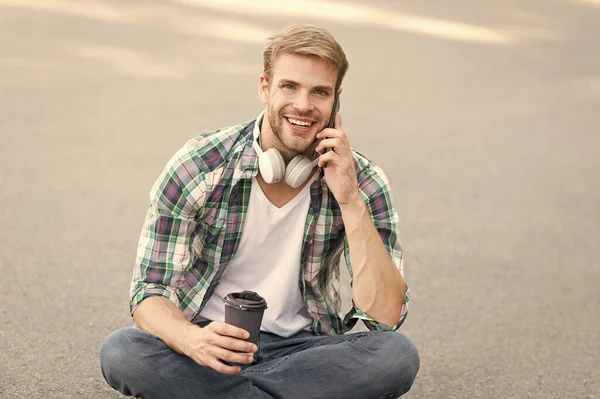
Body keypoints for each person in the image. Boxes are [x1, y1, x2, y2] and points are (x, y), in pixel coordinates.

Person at [100, 24, 419, 399]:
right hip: (206, 341)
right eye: (289, 86)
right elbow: (149, 293)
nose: (303, 104)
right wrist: (192, 339)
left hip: (301, 352)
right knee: (123, 351)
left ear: (336, 100)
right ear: (265, 87)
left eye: (319, 92)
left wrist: (350, 201)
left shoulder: (362, 180)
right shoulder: (200, 164)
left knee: (397, 356)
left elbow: (384, 316)